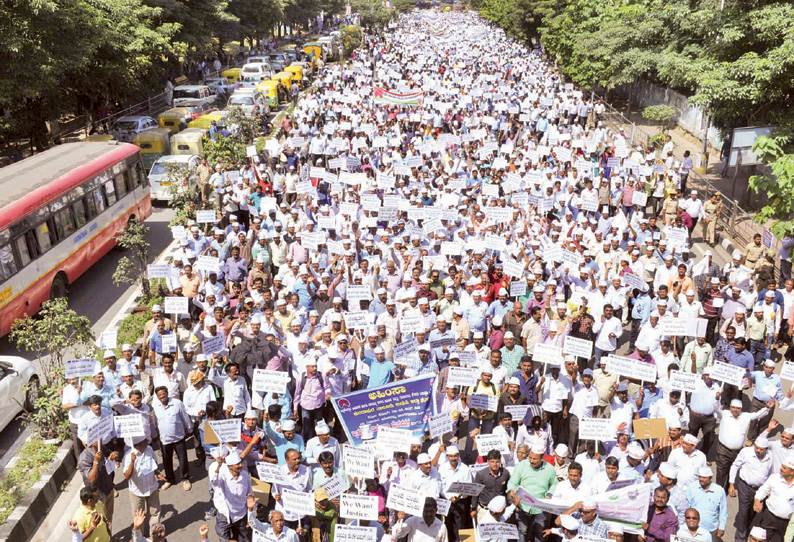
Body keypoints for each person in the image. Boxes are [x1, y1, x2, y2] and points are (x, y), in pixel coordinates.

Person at [508, 446, 558, 542]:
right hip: (523, 505)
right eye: (530, 457)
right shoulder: (521, 466)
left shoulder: (549, 469)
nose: (531, 461)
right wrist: (512, 490)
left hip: (541, 508)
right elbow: (513, 482)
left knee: (540, 534)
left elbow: (555, 484)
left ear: (542, 458)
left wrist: (549, 496)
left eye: (535, 459)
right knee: (522, 532)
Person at [731, 436, 774, 542]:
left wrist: (769, 489)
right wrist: (731, 484)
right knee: (743, 512)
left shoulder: (770, 456)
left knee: (753, 512)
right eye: (757, 448)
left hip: (760, 490)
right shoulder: (746, 452)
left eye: (761, 449)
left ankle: (748, 529)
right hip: (745, 487)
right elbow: (735, 466)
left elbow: (770, 472)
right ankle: (741, 537)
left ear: (766, 449)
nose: (758, 451)